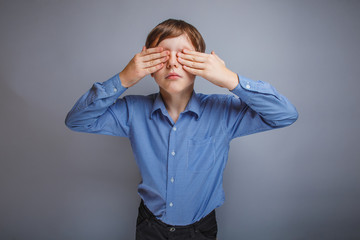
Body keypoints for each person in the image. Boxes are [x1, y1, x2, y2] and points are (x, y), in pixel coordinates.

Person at [65, 18, 298, 240]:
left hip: (200, 229)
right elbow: (77, 120)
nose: (173, 62)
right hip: (150, 225)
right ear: (147, 63)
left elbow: (285, 115)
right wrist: (124, 78)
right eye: (162, 55)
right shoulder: (132, 111)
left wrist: (230, 79)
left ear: (201, 63)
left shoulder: (223, 112)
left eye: (184, 55)